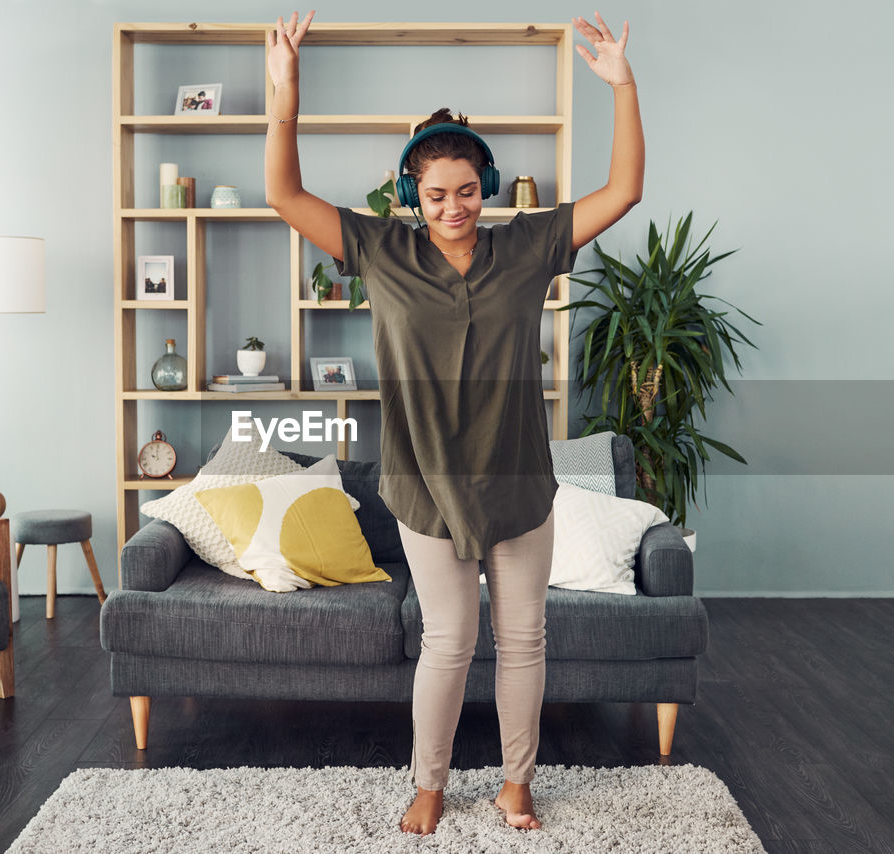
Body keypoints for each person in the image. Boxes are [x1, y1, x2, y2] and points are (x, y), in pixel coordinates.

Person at [265, 9, 643, 837]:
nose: (453, 207)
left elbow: (624, 192)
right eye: (435, 194)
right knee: (448, 644)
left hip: (517, 485)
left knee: (524, 642)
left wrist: (622, 85)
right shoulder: (377, 251)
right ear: (411, 194)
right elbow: (283, 195)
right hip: (424, 485)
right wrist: (285, 95)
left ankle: (516, 783)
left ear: (489, 188)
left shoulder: (533, 247)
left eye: (467, 191)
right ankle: (429, 785)